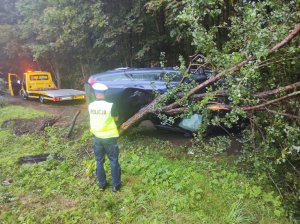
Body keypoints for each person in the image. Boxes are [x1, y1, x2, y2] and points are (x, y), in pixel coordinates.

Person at [88, 83, 121, 192]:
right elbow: (116, 118)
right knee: (113, 160)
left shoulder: (91, 106)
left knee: (99, 161)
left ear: (95, 93)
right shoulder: (110, 105)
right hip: (109, 137)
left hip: (97, 137)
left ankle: (102, 185)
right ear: (105, 93)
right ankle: (116, 185)